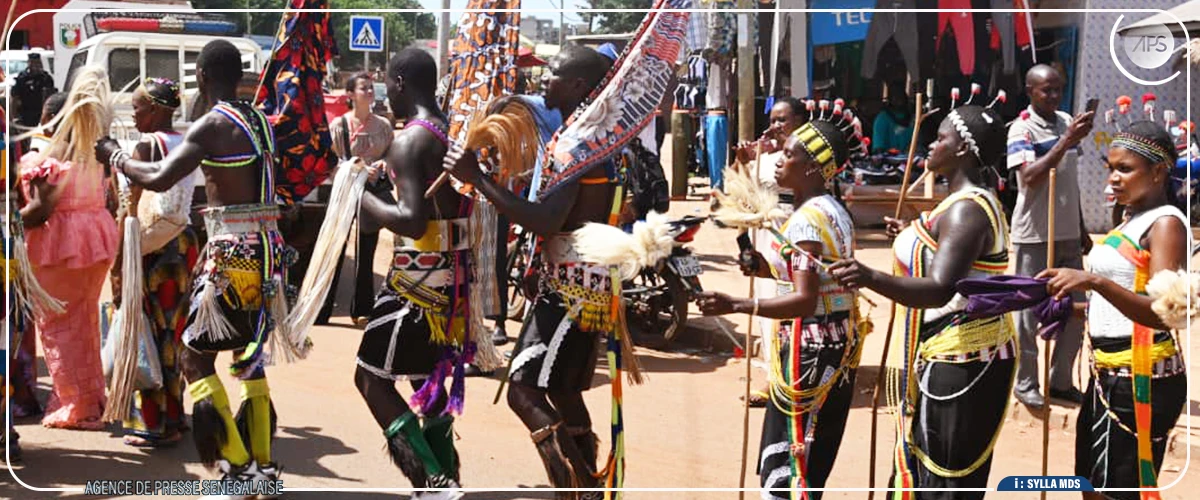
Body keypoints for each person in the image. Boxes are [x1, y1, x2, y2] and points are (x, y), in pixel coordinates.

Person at [96, 40, 291, 493]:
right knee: (247, 355)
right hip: (268, 254)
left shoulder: (212, 124)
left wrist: (115, 157)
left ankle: (241, 469)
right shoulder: (260, 122)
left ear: (201, 76)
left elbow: (159, 176)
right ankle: (262, 465)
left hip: (234, 254)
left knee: (192, 357)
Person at [443, 45, 617, 497]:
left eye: (553, 74)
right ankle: (587, 486)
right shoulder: (589, 135)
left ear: (578, 85)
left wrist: (478, 179)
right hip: (582, 281)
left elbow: (546, 220)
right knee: (562, 391)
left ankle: (576, 486)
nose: (543, 81)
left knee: (522, 391)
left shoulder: (578, 143)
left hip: (572, 289)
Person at [829, 102, 1015, 498]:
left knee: (944, 479)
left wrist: (869, 276)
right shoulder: (962, 204)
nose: (931, 144)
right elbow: (941, 249)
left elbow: (940, 288)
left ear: (962, 148)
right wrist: (910, 234)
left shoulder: (968, 210)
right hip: (953, 353)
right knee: (930, 470)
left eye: (941, 137)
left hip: (964, 359)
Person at [697, 105, 868, 498]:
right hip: (835, 348)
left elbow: (806, 300)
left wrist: (735, 304)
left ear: (813, 168)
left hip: (810, 353)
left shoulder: (807, 221)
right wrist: (760, 265)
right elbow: (811, 277)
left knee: (792, 466)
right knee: (810, 461)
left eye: (789, 155)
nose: (778, 161)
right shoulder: (834, 210)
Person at [1039, 121, 1189, 500]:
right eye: (1110, 168)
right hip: (1108, 373)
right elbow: (1118, 305)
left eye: (1125, 169)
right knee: (1090, 484)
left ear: (1158, 172)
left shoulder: (1166, 224)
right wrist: (1070, 308)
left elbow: (1165, 313)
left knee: (1115, 491)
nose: (1113, 178)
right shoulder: (1129, 218)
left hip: (1140, 377)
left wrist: (1093, 282)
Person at [353, 48, 467, 497]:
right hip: (448, 285)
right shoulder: (446, 131)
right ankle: (447, 477)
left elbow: (413, 221)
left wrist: (360, 194)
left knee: (370, 378)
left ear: (400, 82)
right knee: (427, 382)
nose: (386, 94)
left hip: (415, 287)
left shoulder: (410, 140)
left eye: (387, 84)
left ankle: (433, 481)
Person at [19, 64, 119, 430]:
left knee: (59, 327)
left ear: (50, 120)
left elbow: (40, 210)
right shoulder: (95, 156)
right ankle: (91, 400)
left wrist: (12, 222)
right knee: (84, 323)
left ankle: (76, 406)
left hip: (60, 248)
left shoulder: (47, 161)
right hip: (95, 244)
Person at [111, 78, 198, 448]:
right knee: (173, 333)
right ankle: (174, 416)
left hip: (153, 248)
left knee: (148, 330)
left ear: (157, 109)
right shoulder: (186, 142)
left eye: (138, 108)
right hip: (182, 242)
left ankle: (155, 423)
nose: (134, 114)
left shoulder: (148, 146)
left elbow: (131, 206)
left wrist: (119, 264)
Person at [1007, 64, 1095, 408]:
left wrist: (1082, 227)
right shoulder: (1021, 129)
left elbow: (1070, 180)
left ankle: (1060, 381)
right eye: (1048, 90)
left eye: (1059, 89)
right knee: (1027, 311)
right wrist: (1066, 140)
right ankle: (1026, 382)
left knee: (1076, 310)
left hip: (1068, 233)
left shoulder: (1065, 121)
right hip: (1034, 234)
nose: (1055, 96)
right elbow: (1030, 177)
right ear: (1030, 91)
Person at [319, 71, 393, 327]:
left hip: (372, 194)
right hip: (344, 192)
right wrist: (358, 168)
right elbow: (329, 164)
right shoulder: (339, 126)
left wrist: (383, 164)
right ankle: (322, 309)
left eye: (371, 87)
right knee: (334, 250)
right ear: (350, 94)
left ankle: (362, 309)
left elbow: (392, 156)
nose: (370, 91)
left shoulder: (383, 126)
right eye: (364, 88)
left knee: (367, 249)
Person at [12, 53, 57, 148]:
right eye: (33, 63)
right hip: (26, 115)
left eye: (38, 63)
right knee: (26, 141)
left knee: (42, 139)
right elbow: (15, 98)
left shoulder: (46, 78)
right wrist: (14, 117)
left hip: (41, 113)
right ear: (29, 63)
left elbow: (51, 96)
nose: (36, 65)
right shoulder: (22, 78)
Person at [871, 83, 913, 154]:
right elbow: (878, 150)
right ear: (889, 99)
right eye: (895, 95)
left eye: (901, 94)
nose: (899, 98)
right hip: (889, 159)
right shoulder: (882, 118)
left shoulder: (913, 118)